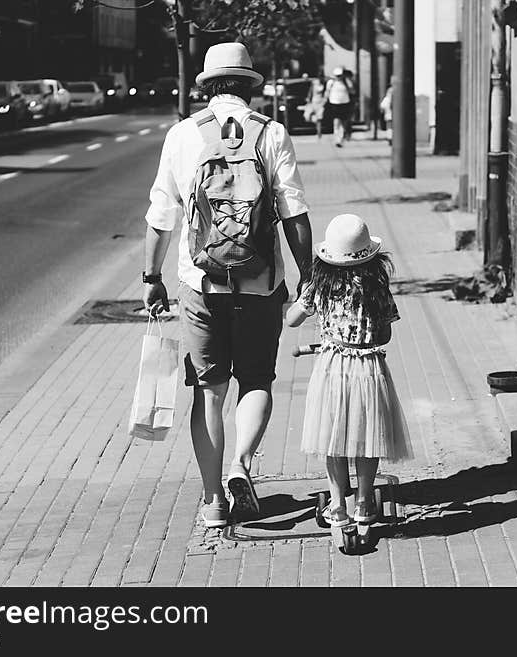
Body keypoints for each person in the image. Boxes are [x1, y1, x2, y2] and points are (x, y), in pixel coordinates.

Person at [143, 42, 313, 528]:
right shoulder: (272, 133)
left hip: (202, 283)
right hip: (262, 283)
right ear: (248, 86)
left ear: (207, 86)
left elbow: (161, 215)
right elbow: (292, 211)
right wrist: (308, 276)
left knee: (208, 392)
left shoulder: (182, 135)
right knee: (256, 379)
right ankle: (241, 464)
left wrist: (151, 277)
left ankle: (214, 500)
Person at [286, 213, 413, 527]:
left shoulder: (320, 284)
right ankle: (366, 502)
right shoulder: (376, 285)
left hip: (332, 368)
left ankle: (337, 503)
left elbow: (291, 319)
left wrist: (304, 303)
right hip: (369, 368)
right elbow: (385, 334)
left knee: (333, 436)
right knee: (368, 437)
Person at [324, 66, 353, 147]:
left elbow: (352, 91)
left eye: (340, 75)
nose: (338, 77)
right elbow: (327, 92)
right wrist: (325, 101)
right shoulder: (331, 82)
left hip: (345, 103)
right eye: (337, 76)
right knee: (336, 122)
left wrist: (349, 82)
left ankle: (341, 138)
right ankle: (337, 139)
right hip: (334, 103)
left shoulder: (346, 82)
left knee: (344, 122)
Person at [304, 75, 327, 140]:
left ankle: (319, 132)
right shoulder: (313, 84)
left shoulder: (324, 85)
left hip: (321, 103)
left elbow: (325, 93)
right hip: (314, 102)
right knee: (308, 117)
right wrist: (308, 99)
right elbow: (310, 92)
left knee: (319, 119)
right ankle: (316, 124)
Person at [379, 79, 393, 145]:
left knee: (389, 127)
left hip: (388, 114)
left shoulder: (387, 98)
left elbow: (382, 106)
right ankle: (391, 137)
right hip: (393, 115)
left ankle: (390, 138)